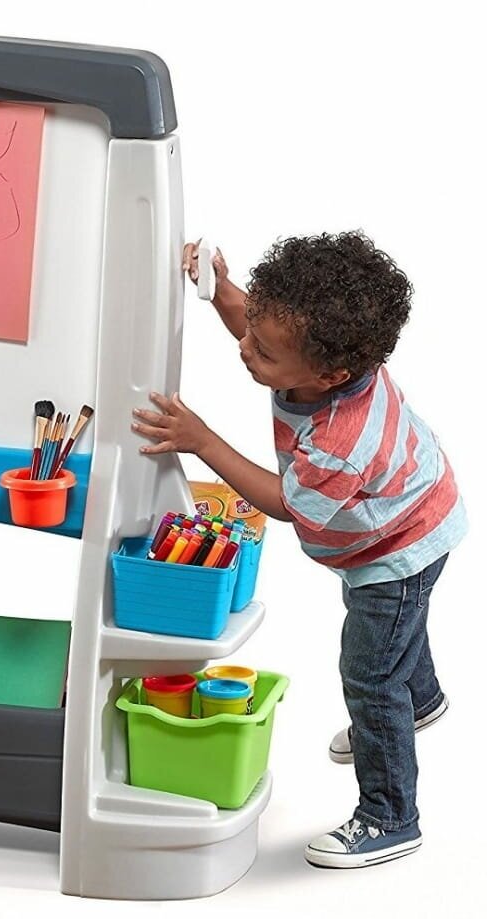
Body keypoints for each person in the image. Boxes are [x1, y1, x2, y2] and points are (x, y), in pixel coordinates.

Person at [132, 232, 465, 869]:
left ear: (329, 376)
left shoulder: (340, 441)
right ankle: (417, 702)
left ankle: (390, 815)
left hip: (398, 547)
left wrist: (202, 441)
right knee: (396, 642)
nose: (246, 349)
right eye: (252, 332)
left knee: (370, 675)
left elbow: (284, 503)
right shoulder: (314, 351)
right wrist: (218, 289)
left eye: (263, 351)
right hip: (408, 513)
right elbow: (255, 321)